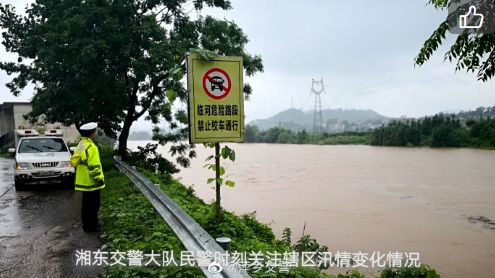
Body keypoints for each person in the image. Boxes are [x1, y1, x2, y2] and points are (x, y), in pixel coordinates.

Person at [70, 122, 105, 232]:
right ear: (92, 133)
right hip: (92, 181)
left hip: (83, 181)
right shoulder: (92, 147)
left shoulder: (81, 144)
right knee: (94, 205)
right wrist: (99, 179)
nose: (96, 134)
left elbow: (74, 162)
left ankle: (86, 226)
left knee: (86, 204)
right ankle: (93, 226)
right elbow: (95, 166)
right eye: (95, 132)